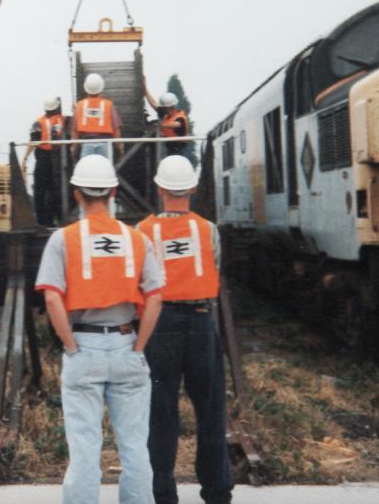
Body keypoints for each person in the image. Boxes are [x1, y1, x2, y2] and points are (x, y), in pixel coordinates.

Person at [35, 154, 165, 504]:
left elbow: (51, 299)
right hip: (126, 346)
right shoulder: (136, 238)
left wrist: (70, 347)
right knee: (136, 449)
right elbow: (155, 296)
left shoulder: (63, 239)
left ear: (77, 193)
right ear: (112, 191)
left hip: (83, 347)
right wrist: (139, 346)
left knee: (84, 450)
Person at [136, 156, 232, 504]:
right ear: (192, 188)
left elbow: (138, 280)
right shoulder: (207, 230)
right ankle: (218, 491)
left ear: (159, 188)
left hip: (160, 325)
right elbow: (216, 269)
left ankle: (163, 491)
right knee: (210, 409)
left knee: (161, 409)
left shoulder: (142, 232)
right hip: (201, 322)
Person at [23, 96, 66, 227]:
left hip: (43, 158)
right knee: (56, 188)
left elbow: (33, 142)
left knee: (40, 190)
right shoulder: (63, 120)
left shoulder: (38, 123)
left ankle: (42, 220)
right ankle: (58, 217)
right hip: (59, 158)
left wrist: (24, 158)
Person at [72, 73, 123, 161]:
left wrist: (74, 149)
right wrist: (119, 147)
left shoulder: (79, 105)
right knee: (105, 171)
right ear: (101, 88)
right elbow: (116, 129)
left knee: (86, 172)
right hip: (105, 144)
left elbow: (75, 130)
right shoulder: (108, 105)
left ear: (86, 88)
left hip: (86, 145)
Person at [144, 88, 190, 157]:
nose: (162, 109)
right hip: (169, 149)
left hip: (179, 150)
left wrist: (160, 125)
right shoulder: (166, 115)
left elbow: (177, 124)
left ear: (170, 107)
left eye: (164, 107)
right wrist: (145, 89)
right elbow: (153, 103)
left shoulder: (180, 117)